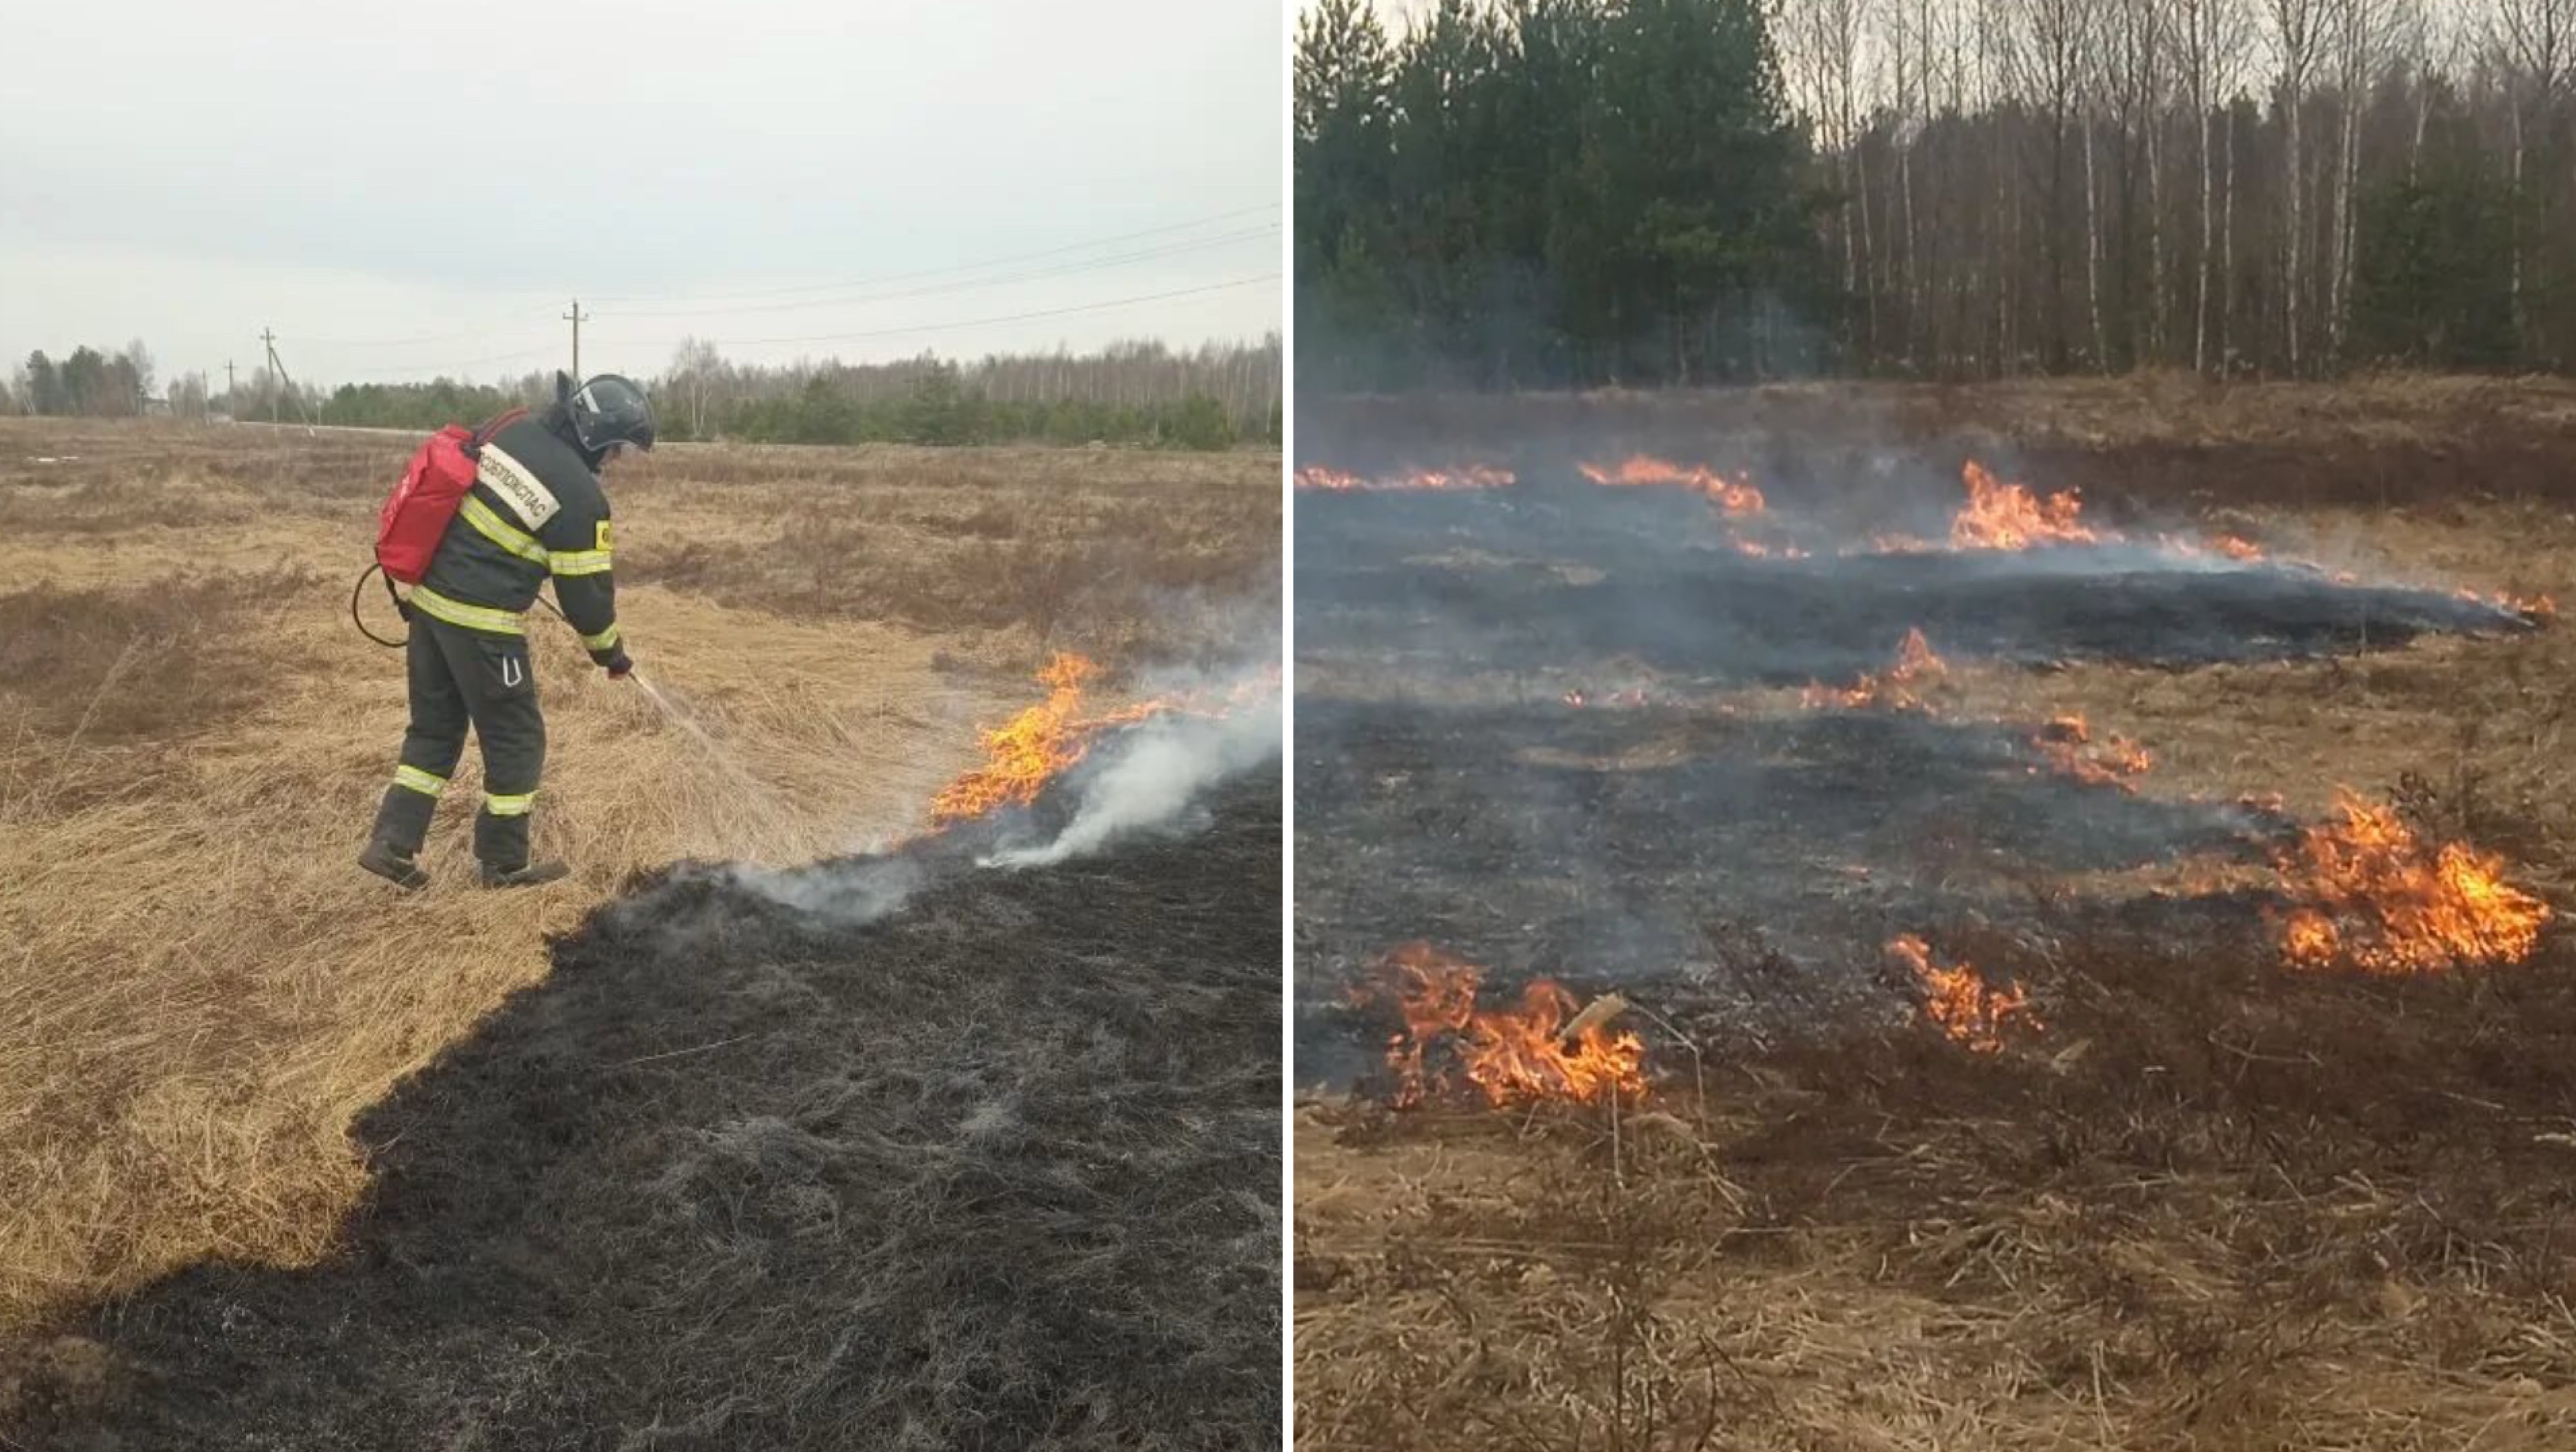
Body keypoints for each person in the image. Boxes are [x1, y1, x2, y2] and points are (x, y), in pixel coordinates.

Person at [359, 373, 654, 890]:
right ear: (595, 436)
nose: (614, 462)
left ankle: (391, 844)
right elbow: (587, 601)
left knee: (432, 731)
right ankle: (504, 863)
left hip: (429, 608)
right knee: (518, 739)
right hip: (483, 627)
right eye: (615, 450)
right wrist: (612, 655)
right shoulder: (582, 497)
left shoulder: (510, 431)